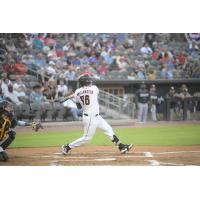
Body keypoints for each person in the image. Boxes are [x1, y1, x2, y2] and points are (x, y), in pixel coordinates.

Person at [61, 74, 133, 154]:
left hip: (96, 116)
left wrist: (75, 96)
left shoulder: (77, 92)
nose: (90, 82)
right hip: (90, 118)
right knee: (87, 138)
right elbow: (87, 92)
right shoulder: (94, 88)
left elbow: (79, 107)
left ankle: (121, 146)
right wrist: (77, 94)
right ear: (87, 82)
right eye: (89, 81)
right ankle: (67, 147)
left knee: (109, 130)